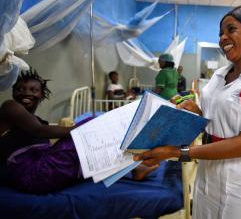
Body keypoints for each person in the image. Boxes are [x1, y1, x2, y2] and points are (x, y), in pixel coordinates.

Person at [134, 5, 241, 219]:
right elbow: (215, 119)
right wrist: (196, 112)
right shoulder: (219, 75)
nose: (223, 38)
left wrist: (177, 152)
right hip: (207, 176)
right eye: (220, 34)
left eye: (231, 29)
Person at [0, 69, 155, 194]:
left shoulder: (38, 120)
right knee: (88, 128)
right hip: (32, 174)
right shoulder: (9, 107)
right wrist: (87, 128)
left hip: (43, 168)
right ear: (13, 92)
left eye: (34, 90)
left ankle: (133, 167)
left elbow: (43, 133)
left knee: (89, 149)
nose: (27, 93)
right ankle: (135, 166)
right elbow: (39, 130)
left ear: (42, 96)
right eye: (20, 89)